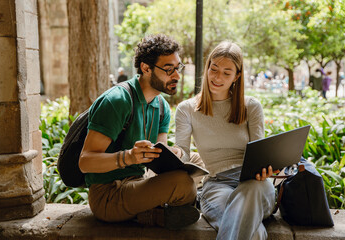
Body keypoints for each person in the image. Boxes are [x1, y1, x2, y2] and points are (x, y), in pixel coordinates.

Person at [79, 34, 199, 229]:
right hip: (109, 194)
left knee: (199, 161)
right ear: (146, 68)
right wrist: (128, 157)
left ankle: (157, 211)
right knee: (184, 184)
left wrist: (173, 154)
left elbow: (160, 157)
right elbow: (85, 162)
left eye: (178, 68)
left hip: (139, 181)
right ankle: (154, 215)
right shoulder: (118, 101)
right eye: (169, 69)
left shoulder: (161, 106)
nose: (176, 76)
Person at [175, 41, 277, 239]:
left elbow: (259, 155)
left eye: (226, 72)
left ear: (237, 76)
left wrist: (268, 166)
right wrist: (177, 152)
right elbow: (183, 152)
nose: (217, 77)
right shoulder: (187, 109)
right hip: (217, 184)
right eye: (214, 69)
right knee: (254, 233)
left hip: (254, 183)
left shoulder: (251, 107)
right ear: (207, 68)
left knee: (250, 193)